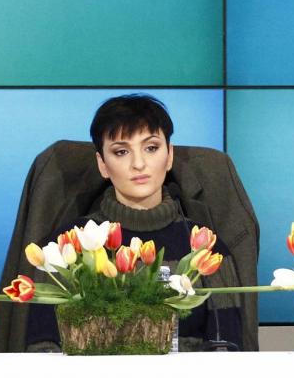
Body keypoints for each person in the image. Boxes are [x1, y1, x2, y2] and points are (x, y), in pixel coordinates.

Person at [25, 94, 243, 351]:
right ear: (102, 164)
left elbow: (227, 349)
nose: (138, 164)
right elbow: (42, 350)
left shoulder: (206, 248)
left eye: (151, 148)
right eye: (121, 151)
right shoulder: (66, 246)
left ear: (169, 156)